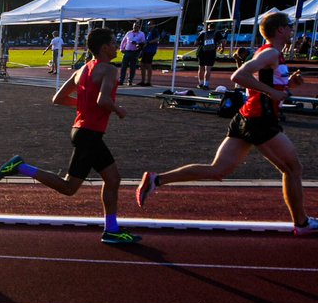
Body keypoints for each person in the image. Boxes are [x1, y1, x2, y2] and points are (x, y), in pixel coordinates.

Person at [138, 12, 317, 236]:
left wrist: (290, 84)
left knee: (218, 170)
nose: (293, 30)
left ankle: (157, 179)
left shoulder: (272, 54)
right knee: (293, 168)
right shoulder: (270, 52)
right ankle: (301, 223)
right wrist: (272, 92)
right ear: (280, 30)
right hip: (259, 119)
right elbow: (239, 76)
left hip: (247, 117)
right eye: (290, 26)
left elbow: (265, 85)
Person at [0, 27, 140, 244]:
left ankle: (111, 228)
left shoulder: (81, 70)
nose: (116, 45)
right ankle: (20, 167)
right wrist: (119, 110)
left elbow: (58, 98)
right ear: (103, 48)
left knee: (112, 178)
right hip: (89, 134)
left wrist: (84, 105)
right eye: (113, 42)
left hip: (83, 131)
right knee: (69, 187)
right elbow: (103, 101)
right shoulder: (109, 70)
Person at [117, 21, 145, 86]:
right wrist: (121, 48)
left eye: (137, 26)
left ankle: (130, 81)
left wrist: (137, 44)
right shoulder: (129, 33)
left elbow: (143, 43)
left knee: (132, 67)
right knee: (124, 66)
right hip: (127, 51)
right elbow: (124, 41)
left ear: (139, 27)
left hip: (135, 52)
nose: (135, 27)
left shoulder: (141, 34)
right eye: (134, 26)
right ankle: (121, 80)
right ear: (133, 26)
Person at [195, 24, 223, 89]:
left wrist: (203, 43)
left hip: (201, 52)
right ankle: (206, 85)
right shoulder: (217, 33)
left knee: (201, 68)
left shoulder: (203, 33)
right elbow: (223, 42)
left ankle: (200, 84)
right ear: (215, 27)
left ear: (208, 27)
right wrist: (222, 48)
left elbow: (195, 43)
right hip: (211, 53)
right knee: (208, 69)